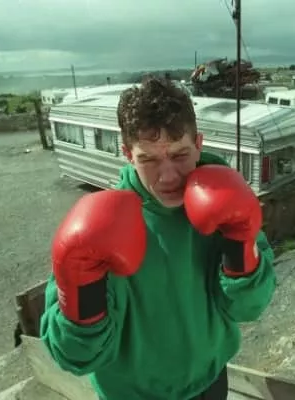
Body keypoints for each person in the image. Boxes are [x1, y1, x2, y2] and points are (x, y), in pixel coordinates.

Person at [39, 75, 276, 400]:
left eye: (179, 155)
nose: (167, 176)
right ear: (127, 153)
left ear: (199, 143)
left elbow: (249, 307)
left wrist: (239, 245)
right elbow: (73, 355)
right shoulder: (102, 228)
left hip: (209, 382)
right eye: (148, 159)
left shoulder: (225, 204)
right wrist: (82, 303)